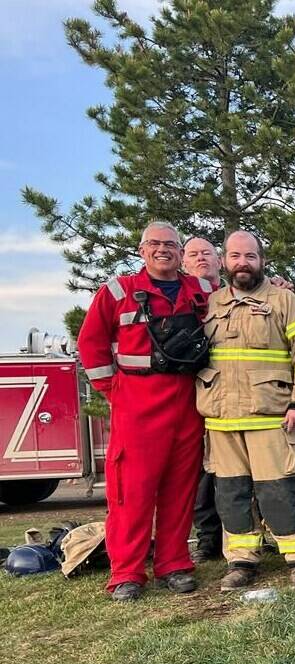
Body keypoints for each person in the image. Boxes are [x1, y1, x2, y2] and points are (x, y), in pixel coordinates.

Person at [78, 221, 213, 600]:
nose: (163, 250)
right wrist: (113, 389)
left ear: (181, 252)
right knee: (130, 492)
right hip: (137, 401)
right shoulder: (119, 291)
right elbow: (91, 343)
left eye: (171, 244)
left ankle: (174, 563)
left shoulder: (201, 289)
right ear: (141, 250)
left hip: (187, 400)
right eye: (154, 244)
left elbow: (245, 290)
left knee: (180, 488)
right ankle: (127, 572)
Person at [199, 231, 295, 589]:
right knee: (230, 495)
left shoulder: (285, 301)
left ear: (261, 260)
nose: (242, 263)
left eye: (250, 256)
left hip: (271, 416)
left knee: (278, 492)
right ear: (224, 261)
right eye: (235, 256)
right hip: (221, 419)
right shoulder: (211, 304)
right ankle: (241, 560)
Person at [183, 236, 224, 564]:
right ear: (184, 262)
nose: (201, 259)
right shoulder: (181, 298)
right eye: (193, 254)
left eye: (207, 254)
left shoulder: (236, 293)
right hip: (196, 398)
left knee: (242, 476)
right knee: (202, 477)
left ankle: (247, 534)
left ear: (220, 261)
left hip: (239, 399)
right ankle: (209, 539)